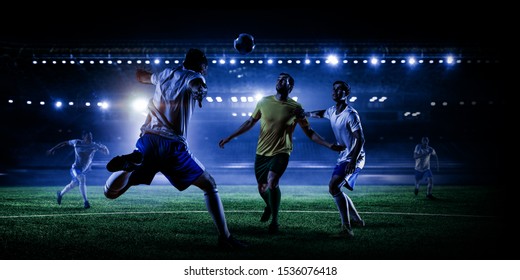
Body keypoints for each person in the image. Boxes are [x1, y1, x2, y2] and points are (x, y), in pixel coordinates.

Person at [104, 48, 247, 249]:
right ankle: (225, 237)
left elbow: (144, 77)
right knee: (209, 185)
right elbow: (196, 85)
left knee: (111, 193)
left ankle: (129, 167)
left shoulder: (165, 74)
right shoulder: (195, 77)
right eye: (205, 66)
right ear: (201, 65)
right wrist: (200, 91)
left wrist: (140, 74)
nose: (205, 71)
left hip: (147, 139)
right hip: (172, 146)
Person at [218, 72, 344, 234]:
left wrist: (329, 145)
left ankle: (275, 222)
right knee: (262, 188)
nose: (279, 81)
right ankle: (269, 206)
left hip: (282, 151)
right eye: (278, 79)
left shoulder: (295, 108)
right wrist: (230, 137)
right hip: (262, 152)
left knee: (272, 182)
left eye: (284, 80)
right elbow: (250, 122)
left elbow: (310, 132)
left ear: (290, 87)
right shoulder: (263, 102)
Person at [305, 80, 366, 238]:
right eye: (334, 89)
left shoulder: (350, 114)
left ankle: (347, 228)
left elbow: (360, 139)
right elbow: (320, 113)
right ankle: (357, 220)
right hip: (344, 157)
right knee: (335, 188)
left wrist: (353, 160)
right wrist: (306, 114)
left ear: (347, 94)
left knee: (333, 186)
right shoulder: (332, 110)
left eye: (340, 90)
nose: (335, 92)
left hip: (355, 157)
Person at [47, 130, 109, 209]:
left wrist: (105, 147)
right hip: (75, 168)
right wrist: (53, 149)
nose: (90, 138)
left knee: (73, 184)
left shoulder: (94, 145)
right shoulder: (76, 142)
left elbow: (106, 153)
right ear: (83, 137)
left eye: (91, 137)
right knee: (82, 178)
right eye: (88, 137)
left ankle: (60, 194)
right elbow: (64, 143)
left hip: (83, 170)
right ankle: (86, 202)